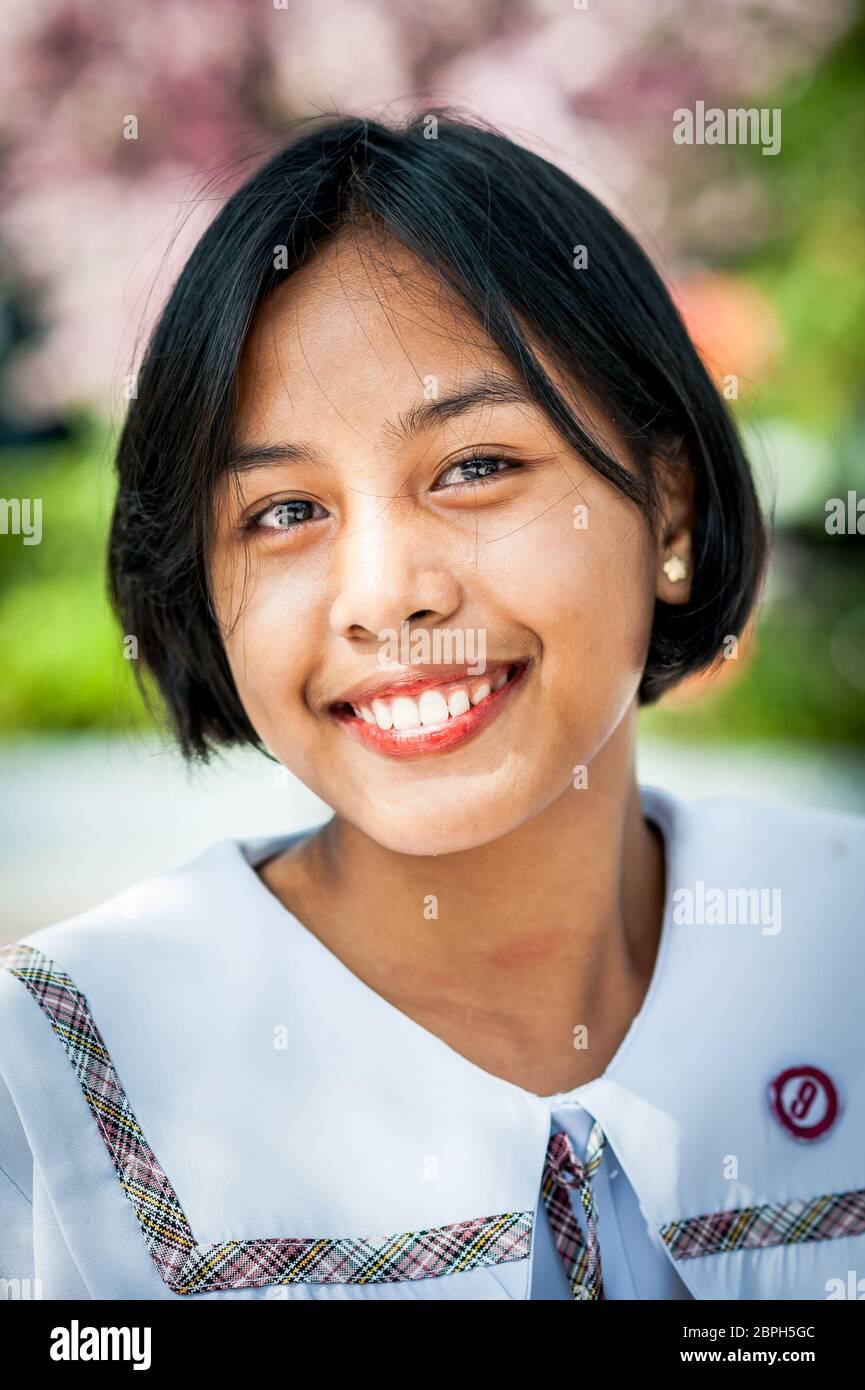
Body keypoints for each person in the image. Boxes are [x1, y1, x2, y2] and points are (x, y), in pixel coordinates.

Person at [1, 111, 862, 1302]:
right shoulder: (52, 1087)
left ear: (665, 511)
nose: (386, 595)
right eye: (283, 512)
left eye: (474, 467)